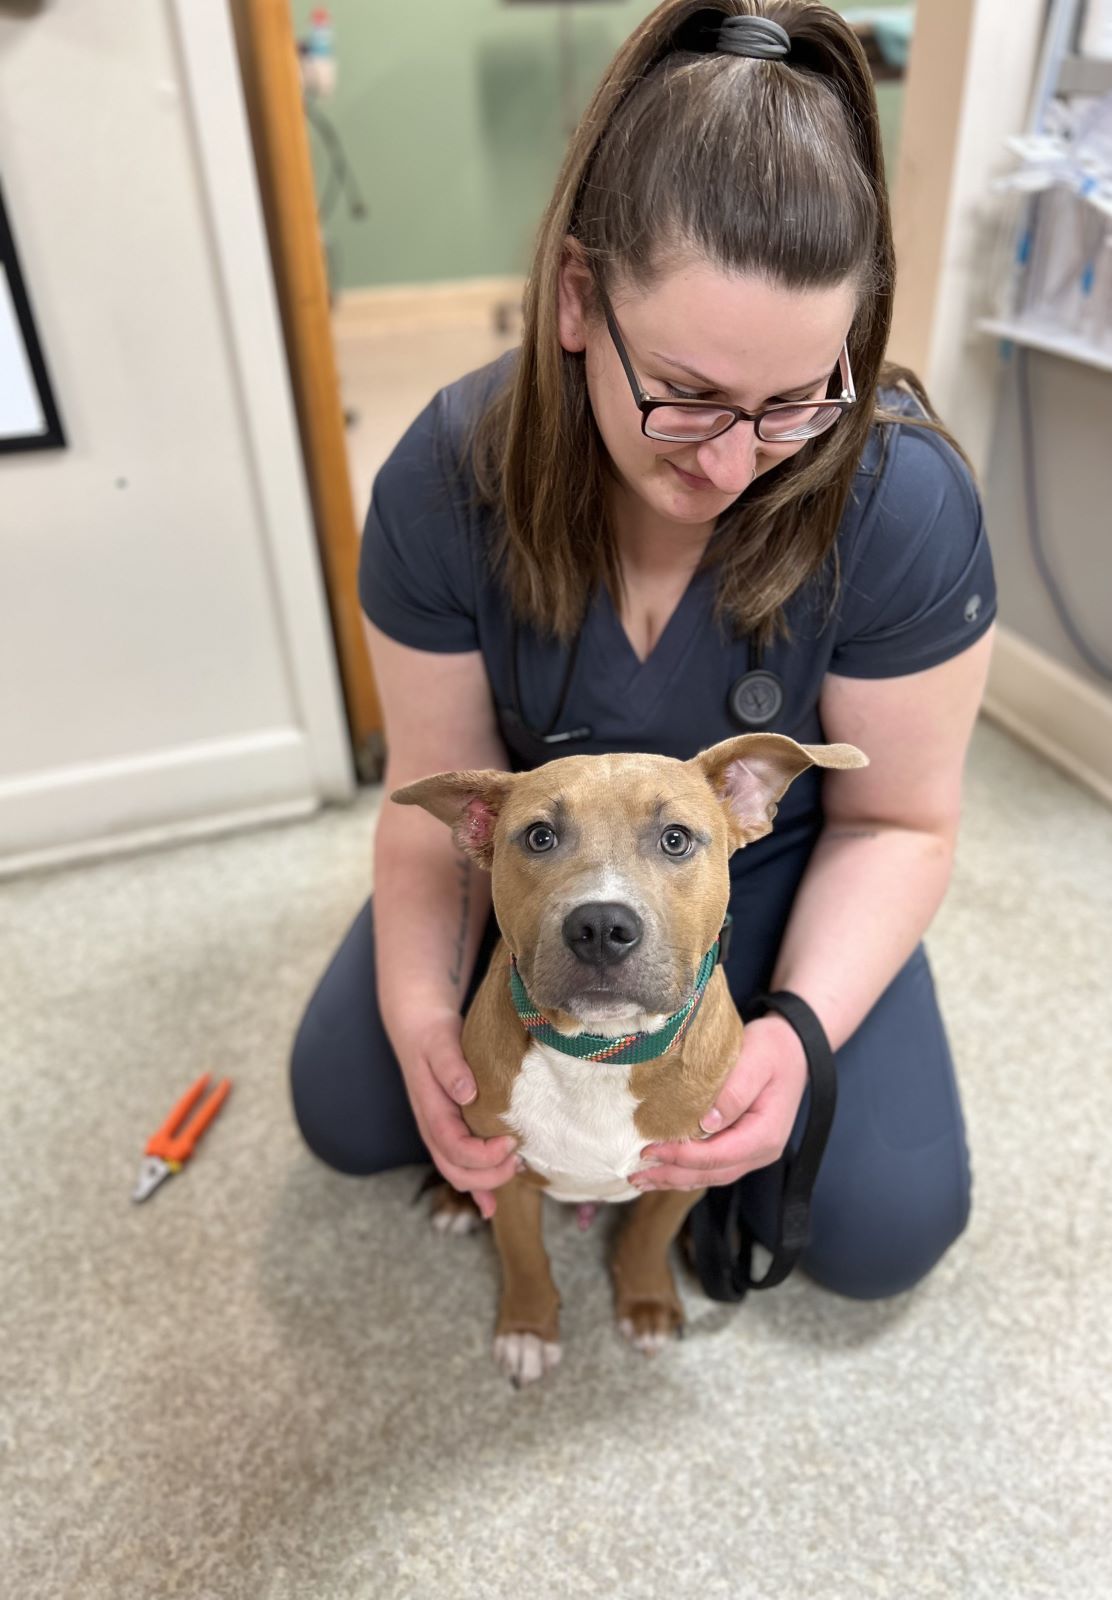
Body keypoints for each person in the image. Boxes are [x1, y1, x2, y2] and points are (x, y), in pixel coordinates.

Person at [289, 0, 997, 1303]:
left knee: (882, 1228)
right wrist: (421, 1014)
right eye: (687, 394)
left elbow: (898, 822)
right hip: (552, 861)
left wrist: (798, 1035)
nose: (732, 463)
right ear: (575, 300)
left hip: (770, 869)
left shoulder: (905, 501)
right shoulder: (449, 478)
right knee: (354, 1107)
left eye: (794, 402)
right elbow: (432, 803)